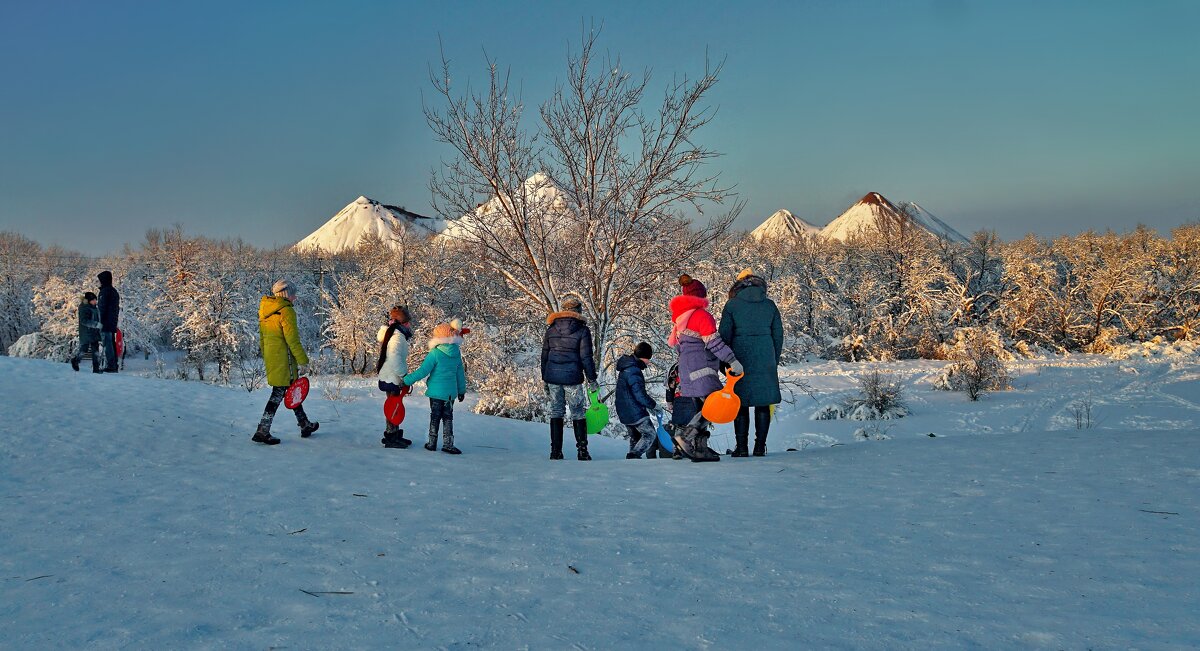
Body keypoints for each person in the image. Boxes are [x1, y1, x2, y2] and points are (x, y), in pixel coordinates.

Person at [668, 274, 742, 462]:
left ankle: (700, 450)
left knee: (703, 407)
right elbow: (714, 343)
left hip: (686, 369)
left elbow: (679, 347)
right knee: (712, 406)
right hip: (702, 367)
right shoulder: (701, 316)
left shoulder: (680, 320)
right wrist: (732, 360)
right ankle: (686, 436)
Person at [720, 269, 784, 457]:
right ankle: (759, 447)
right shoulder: (770, 305)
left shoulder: (732, 305)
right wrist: (774, 358)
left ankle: (741, 448)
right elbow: (778, 335)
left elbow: (724, 335)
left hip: (740, 356)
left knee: (741, 402)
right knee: (763, 402)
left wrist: (725, 362)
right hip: (766, 356)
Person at [253, 280, 319, 445]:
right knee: (278, 394)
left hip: (273, 358)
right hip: (285, 361)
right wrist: (303, 360)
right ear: (285, 294)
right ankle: (263, 430)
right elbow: (292, 340)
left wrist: (268, 356)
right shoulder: (286, 312)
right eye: (292, 294)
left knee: (291, 389)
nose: (295, 297)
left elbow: (262, 339)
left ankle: (305, 424)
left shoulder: (265, 311)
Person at [540, 297, 599, 461]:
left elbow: (544, 356)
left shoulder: (551, 329)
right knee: (578, 412)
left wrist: (545, 378)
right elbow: (586, 358)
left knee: (556, 412)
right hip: (572, 378)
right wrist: (592, 379)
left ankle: (555, 452)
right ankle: (582, 451)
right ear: (579, 311)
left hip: (552, 377)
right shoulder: (582, 330)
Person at [401, 319, 467, 455]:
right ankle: (448, 444)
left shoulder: (435, 353)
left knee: (435, 417)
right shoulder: (456, 353)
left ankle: (432, 443)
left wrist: (406, 381)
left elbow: (422, 371)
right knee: (448, 418)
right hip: (450, 394)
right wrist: (461, 391)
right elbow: (460, 374)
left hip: (436, 393)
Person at [615, 342, 662, 459]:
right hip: (634, 411)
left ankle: (633, 466)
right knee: (649, 434)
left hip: (623, 410)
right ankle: (633, 456)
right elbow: (640, 395)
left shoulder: (627, 367)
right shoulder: (633, 370)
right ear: (643, 357)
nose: (649, 362)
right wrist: (654, 405)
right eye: (648, 359)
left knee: (635, 437)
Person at [377, 305, 414, 449]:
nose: (409, 325)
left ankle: (394, 433)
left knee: (394, 405)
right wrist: (404, 376)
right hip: (392, 377)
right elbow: (394, 358)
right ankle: (391, 435)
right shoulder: (397, 338)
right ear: (401, 323)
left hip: (390, 376)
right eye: (407, 322)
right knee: (393, 406)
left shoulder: (394, 335)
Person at [70, 291, 102, 374]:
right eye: (93, 300)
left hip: (94, 332)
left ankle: (96, 369)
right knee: (84, 349)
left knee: (96, 350)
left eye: (95, 300)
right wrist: (95, 324)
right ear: (89, 300)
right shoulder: (84, 308)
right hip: (86, 333)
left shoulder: (94, 307)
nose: (95, 301)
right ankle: (76, 360)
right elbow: (84, 321)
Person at [97, 271, 120, 372]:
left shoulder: (104, 292)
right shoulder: (114, 291)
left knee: (108, 344)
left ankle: (111, 366)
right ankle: (114, 364)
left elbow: (102, 308)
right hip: (111, 322)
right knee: (111, 343)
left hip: (105, 322)